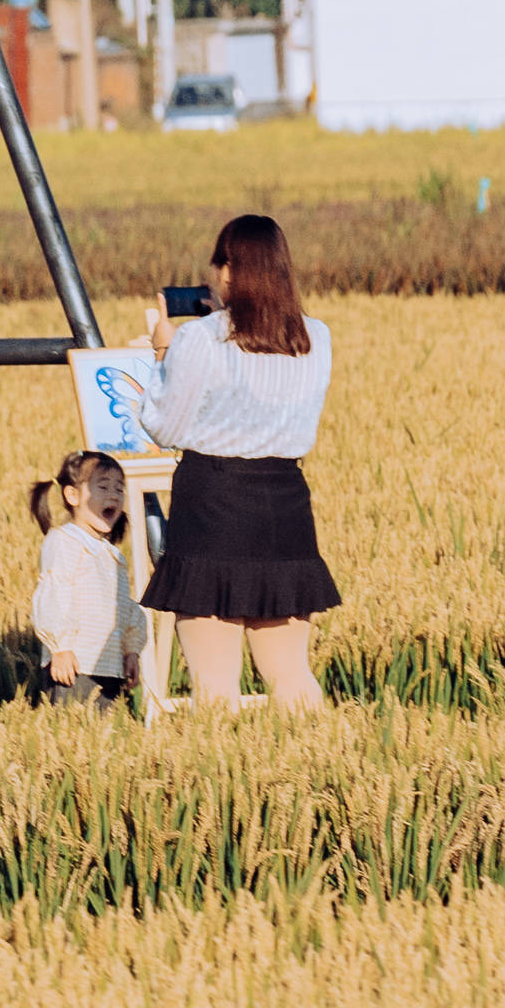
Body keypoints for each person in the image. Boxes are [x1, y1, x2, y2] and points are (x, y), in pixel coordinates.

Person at [125, 214, 339, 713]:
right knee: (290, 676)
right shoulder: (317, 338)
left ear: (229, 271)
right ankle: (318, 775)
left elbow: (167, 427)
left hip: (213, 504)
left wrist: (162, 352)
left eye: (217, 264)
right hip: (285, 506)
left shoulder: (202, 339)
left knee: (215, 685)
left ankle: (224, 781)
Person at [24, 449, 134, 708]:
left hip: (109, 666)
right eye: (103, 486)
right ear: (72, 495)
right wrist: (59, 647)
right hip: (74, 665)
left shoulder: (113, 556)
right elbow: (54, 592)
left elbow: (125, 608)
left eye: (119, 489)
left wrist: (131, 650)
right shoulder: (64, 541)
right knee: (72, 736)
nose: (113, 495)